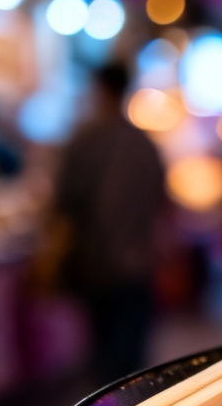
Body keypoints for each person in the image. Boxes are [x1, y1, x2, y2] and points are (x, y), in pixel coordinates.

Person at [50, 61, 168, 383]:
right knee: (134, 353)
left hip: (96, 262)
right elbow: (163, 204)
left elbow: (63, 203)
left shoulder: (85, 141)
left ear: (101, 90)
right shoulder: (144, 145)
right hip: (139, 262)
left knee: (103, 351)